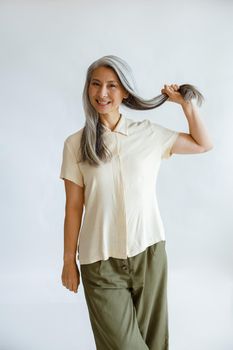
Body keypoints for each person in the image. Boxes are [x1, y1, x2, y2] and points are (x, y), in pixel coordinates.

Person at [59, 55, 213, 350]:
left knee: (155, 344)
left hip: (149, 254)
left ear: (125, 91)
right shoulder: (75, 145)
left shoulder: (150, 134)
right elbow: (73, 208)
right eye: (95, 84)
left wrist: (186, 105)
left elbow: (203, 143)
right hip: (99, 262)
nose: (102, 93)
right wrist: (68, 260)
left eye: (112, 85)